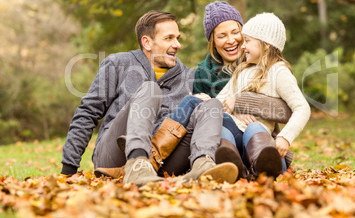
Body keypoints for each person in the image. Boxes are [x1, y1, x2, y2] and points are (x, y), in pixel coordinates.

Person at [61, 10, 238, 186]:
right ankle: (137, 163)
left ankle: (203, 166)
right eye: (169, 38)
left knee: (211, 104)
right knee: (149, 89)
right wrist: (68, 169)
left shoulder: (188, 77)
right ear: (147, 42)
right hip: (114, 155)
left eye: (178, 38)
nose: (177, 44)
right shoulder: (117, 64)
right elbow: (87, 113)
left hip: (164, 162)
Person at [215, 12, 311, 178]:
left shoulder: (278, 71)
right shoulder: (242, 70)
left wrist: (285, 138)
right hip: (240, 147)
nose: (242, 46)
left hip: (264, 144)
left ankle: (265, 167)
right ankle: (231, 166)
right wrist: (235, 107)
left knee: (254, 127)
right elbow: (218, 102)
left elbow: (302, 108)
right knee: (221, 123)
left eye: (248, 41)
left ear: (266, 44)